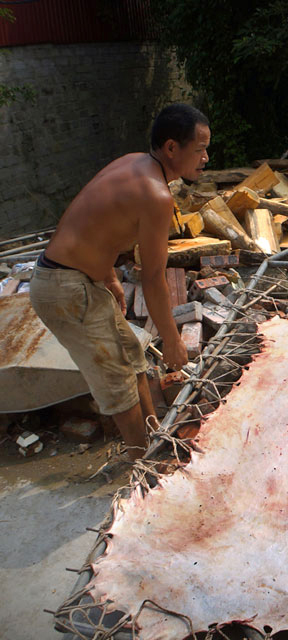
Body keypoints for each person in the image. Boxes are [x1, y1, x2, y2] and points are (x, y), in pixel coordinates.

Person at [29, 103, 210, 459]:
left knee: (132, 354)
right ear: (172, 148)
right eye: (200, 149)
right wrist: (173, 341)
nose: (206, 157)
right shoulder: (156, 195)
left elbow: (93, 225)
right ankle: (140, 466)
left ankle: (154, 437)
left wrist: (109, 275)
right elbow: (153, 279)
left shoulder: (133, 163)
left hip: (75, 278)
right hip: (65, 288)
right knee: (118, 382)